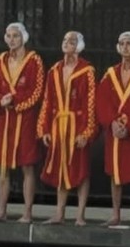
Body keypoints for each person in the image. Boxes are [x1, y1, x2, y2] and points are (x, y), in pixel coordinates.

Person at [0, 22, 44, 223]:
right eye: (8, 35)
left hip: (24, 120)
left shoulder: (34, 61)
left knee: (27, 166)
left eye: (16, 36)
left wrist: (16, 104)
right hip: (3, 120)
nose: (11, 39)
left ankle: (27, 212)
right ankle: (1, 209)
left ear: (23, 38)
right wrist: (0, 102)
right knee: (3, 166)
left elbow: (37, 91)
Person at [38, 30, 96, 226]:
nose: (67, 43)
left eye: (71, 41)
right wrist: (44, 129)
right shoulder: (54, 70)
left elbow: (90, 103)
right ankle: (59, 212)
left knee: (81, 169)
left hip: (77, 126)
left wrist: (87, 132)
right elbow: (47, 101)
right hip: (58, 126)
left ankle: (80, 215)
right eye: (64, 40)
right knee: (61, 169)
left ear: (79, 46)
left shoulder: (87, 71)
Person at [96, 31, 130, 227]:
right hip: (115, 131)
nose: (126, 47)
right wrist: (111, 122)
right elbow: (101, 101)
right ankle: (116, 213)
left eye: (129, 43)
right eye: (122, 43)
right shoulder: (110, 74)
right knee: (115, 172)